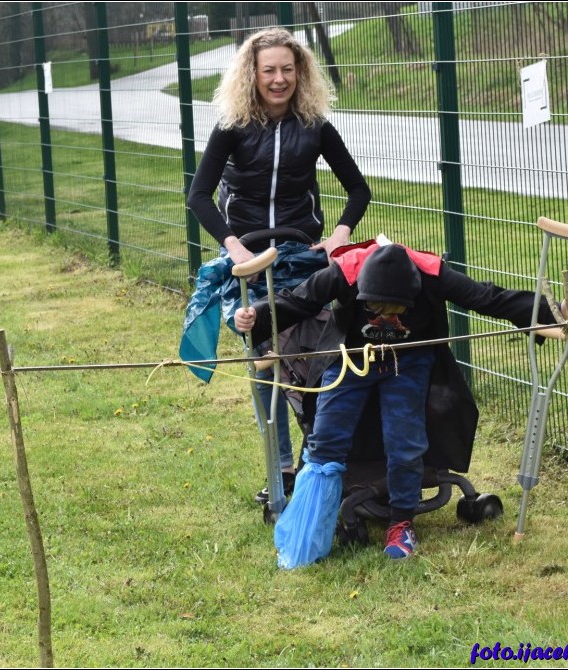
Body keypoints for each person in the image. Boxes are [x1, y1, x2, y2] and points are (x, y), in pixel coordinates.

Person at [234, 240, 568, 568]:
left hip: (409, 361)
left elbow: (488, 298)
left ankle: (401, 522)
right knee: (325, 439)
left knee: (405, 440)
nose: (385, 316)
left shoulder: (433, 275)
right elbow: (295, 303)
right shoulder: (345, 271)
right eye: (375, 308)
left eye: (396, 310)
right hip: (350, 357)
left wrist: (552, 312)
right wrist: (256, 316)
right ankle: (317, 523)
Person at [184, 27, 371, 503]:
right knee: (263, 358)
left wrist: (340, 236)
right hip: (250, 261)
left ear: (300, 72)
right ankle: (281, 467)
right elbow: (199, 196)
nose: (279, 79)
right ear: (252, 73)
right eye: (269, 70)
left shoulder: (316, 126)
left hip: (302, 257)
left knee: (318, 359)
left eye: (288, 69)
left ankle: (321, 458)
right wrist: (234, 248)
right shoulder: (232, 127)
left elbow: (358, 189)